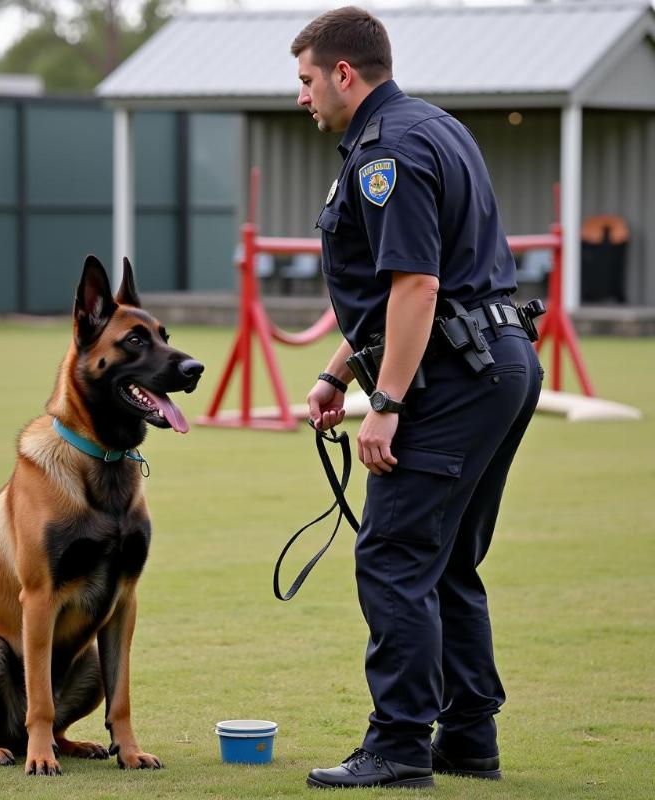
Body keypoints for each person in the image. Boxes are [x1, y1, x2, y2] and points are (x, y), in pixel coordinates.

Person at [291, 6, 543, 791]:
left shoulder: (385, 151)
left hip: (452, 378)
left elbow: (417, 284)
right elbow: (394, 290)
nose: (300, 96)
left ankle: (399, 743)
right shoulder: (432, 124)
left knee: (395, 554)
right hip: (499, 360)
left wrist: (387, 400)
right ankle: (468, 737)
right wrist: (339, 373)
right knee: (447, 560)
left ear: (343, 72)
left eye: (305, 79)